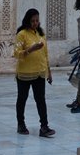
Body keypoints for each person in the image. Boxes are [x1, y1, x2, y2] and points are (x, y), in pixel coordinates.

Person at [12, 9, 55, 137]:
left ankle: (44, 126)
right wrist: (30, 49)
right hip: (25, 73)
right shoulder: (22, 34)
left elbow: (45, 54)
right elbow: (16, 53)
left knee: (41, 99)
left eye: (37, 20)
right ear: (27, 21)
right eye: (32, 21)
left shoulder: (40, 34)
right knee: (22, 99)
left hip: (40, 72)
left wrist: (49, 71)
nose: (35, 23)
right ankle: (21, 124)